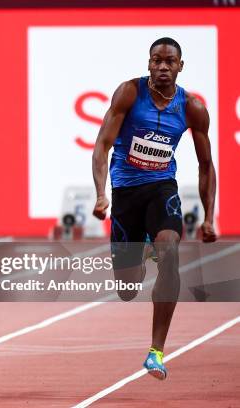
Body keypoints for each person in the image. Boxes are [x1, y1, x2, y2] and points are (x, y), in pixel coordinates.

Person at [92, 37, 216, 380]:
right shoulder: (129, 93)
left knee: (170, 248)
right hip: (126, 192)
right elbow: (102, 144)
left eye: (169, 62)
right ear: (149, 64)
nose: (162, 67)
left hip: (162, 187)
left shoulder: (192, 108)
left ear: (180, 67)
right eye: (156, 61)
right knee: (128, 289)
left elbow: (206, 165)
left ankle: (156, 351)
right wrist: (101, 194)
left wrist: (209, 216)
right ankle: (143, 249)